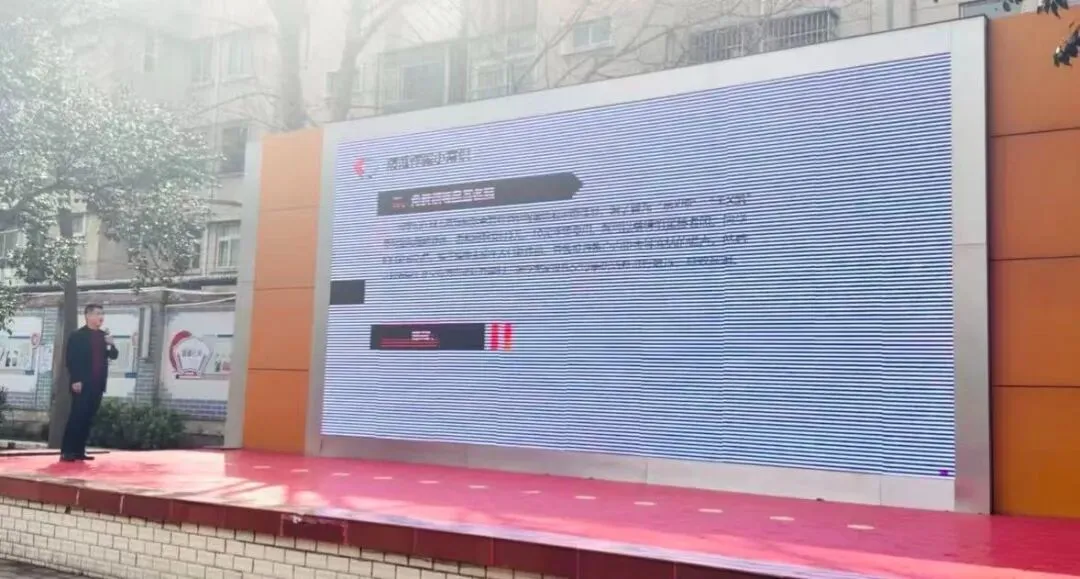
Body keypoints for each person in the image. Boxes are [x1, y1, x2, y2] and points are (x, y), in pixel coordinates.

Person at [60, 304, 118, 462]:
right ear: (88, 316)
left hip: (98, 384)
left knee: (88, 418)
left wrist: (111, 344)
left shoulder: (103, 336)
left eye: (102, 314)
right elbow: (71, 359)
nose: (101, 317)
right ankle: (67, 451)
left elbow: (113, 356)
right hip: (82, 383)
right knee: (77, 416)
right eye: (98, 313)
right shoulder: (78, 335)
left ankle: (79, 451)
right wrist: (76, 380)